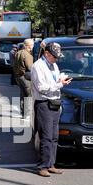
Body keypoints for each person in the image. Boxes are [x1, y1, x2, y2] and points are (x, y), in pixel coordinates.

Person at [31, 42, 72, 177]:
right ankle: (42, 166)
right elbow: (41, 87)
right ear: (47, 54)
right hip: (44, 103)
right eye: (55, 56)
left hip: (54, 103)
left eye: (58, 57)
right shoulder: (38, 66)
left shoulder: (53, 65)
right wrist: (59, 84)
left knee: (54, 137)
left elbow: (55, 80)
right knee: (46, 136)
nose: (57, 59)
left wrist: (61, 79)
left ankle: (51, 164)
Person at [14, 38, 34, 118]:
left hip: (18, 76)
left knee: (22, 95)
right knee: (29, 95)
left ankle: (23, 113)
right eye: (32, 45)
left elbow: (14, 65)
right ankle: (27, 113)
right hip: (25, 77)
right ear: (29, 46)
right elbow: (30, 67)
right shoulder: (27, 55)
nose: (33, 46)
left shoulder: (18, 53)